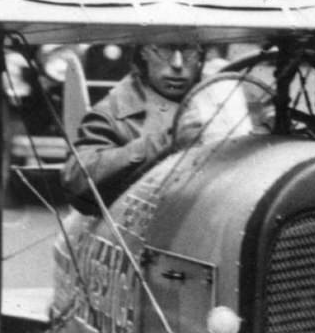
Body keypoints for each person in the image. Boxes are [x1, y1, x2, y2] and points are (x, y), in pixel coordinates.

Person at [61, 40, 206, 211]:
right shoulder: (113, 111)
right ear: (143, 53)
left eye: (189, 51)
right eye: (165, 49)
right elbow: (77, 179)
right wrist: (165, 141)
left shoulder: (220, 96)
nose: (177, 63)